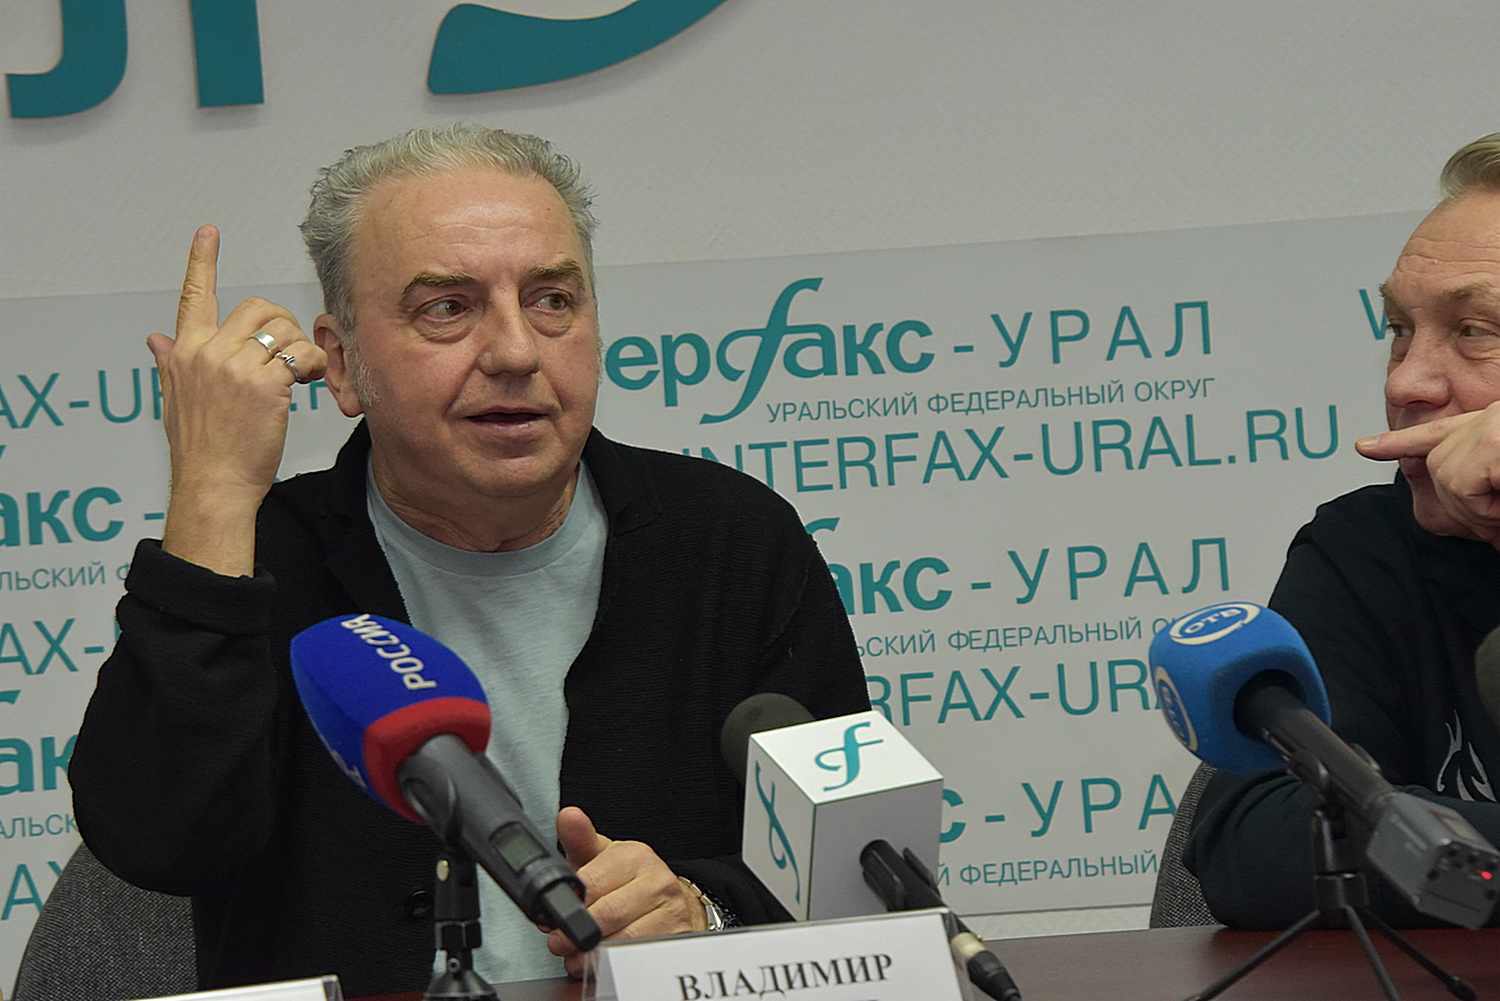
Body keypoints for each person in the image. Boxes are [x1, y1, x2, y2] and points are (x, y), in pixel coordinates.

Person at [68, 124, 868, 995]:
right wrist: (214, 491)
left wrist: (702, 914)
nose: (517, 351)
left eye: (552, 299)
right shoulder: (260, 560)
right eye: (446, 308)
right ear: (343, 363)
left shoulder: (733, 542)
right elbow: (160, 843)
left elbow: (853, 877)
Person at [1184, 131, 1500, 928]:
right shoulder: (1365, 546)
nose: (1406, 380)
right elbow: (1258, 842)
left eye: (1475, 330)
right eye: (1399, 328)